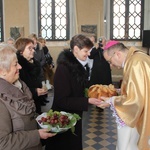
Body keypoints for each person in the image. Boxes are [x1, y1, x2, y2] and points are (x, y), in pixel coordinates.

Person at [45, 34, 102, 150]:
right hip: (63, 121)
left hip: (73, 117)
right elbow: (61, 100)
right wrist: (87, 100)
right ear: (76, 49)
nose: (89, 54)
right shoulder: (63, 68)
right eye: (86, 51)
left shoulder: (77, 66)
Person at [0, 43, 56, 150]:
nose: (20, 67)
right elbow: (3, 142)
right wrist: (37, 135)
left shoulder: (19, 84)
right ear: (2, 71)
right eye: (15, 64)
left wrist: (44, 120)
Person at [98, 40, 150, 150]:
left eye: (110, 62)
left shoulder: (135, 63)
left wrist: (111, 101)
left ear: (117, 54)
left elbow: (135, 101)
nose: (111, 66)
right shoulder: (137, 58)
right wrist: (119, 92)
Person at [15, 37, 48, 114]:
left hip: (37, 101)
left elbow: (40, 78)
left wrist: (42, 86)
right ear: (21, 51)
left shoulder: (36, 63)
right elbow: (18, 89)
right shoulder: (18, 66)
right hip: (24, 105)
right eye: (30, 48)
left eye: (33, 48)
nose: (33, 51)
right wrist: (34, 91)